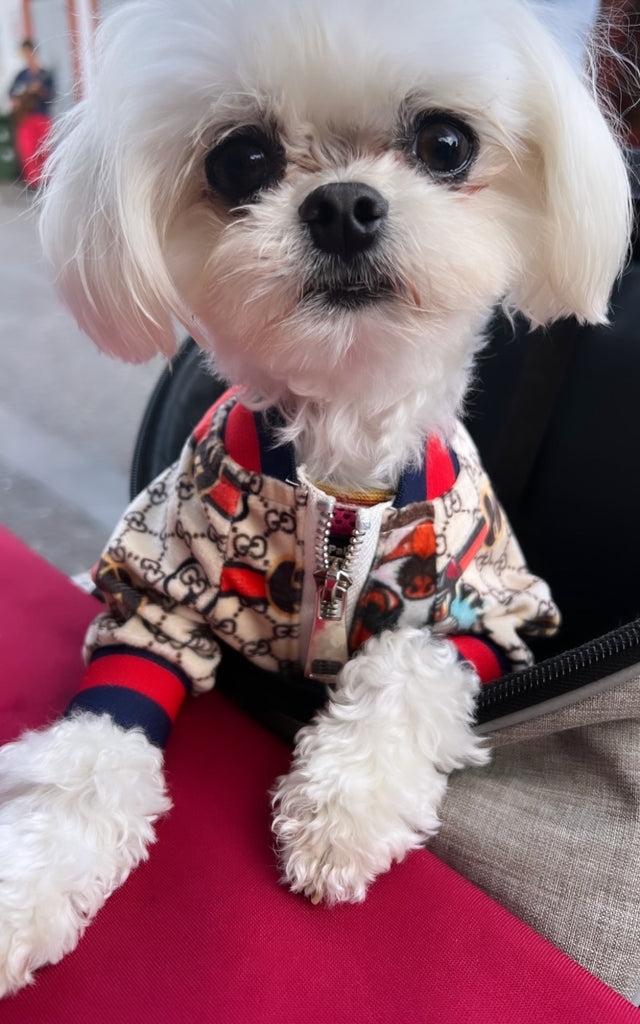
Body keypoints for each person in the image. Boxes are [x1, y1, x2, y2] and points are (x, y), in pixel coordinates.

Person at [8, 40, 54, 188]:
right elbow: (12, 93)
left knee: (44, 150)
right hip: (25, 118)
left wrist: (38, 90)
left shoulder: (45, 75)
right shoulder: (21, 75)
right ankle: (34, 183)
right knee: (27, 150)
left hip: (41, 116)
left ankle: (46, 181)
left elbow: (51, 95)